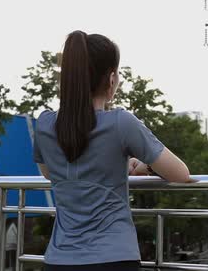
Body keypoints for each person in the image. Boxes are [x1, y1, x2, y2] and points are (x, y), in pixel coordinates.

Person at [33, 30, 193, 271]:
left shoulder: (44, 124)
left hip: (59, 261)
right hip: (113, 258)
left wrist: (118, 163)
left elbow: (49, 172)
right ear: (110, 79)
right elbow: (180, 174)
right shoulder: (121, 123)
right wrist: (144, 165)